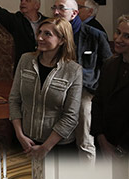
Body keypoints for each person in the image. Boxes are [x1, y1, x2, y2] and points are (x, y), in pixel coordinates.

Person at [9, 17, 83, 158]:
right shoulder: (25, 60)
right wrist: (19, 135)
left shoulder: (73, 70)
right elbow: (14, 100)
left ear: (62, 40)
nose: (40, 38)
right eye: (39, 33)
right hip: (25, 141)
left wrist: (45, 147)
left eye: (47, 34)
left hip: (58, 146)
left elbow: (71, 116)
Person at [51, 0, 112, 161]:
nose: (56, 12)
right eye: (54, 8)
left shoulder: (94, 35)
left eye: (61, 8)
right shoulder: (50, 34)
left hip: (84, 91)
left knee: (85, 140)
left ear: (74, 13)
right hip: (55, 89)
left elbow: (108, 66)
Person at [91, 13, 129, 155]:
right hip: (105, 143)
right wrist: (102, 139)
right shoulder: (110, 64)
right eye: (118, 32)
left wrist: (120, 149)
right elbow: (98, 102)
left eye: (127, 36)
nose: (118, 39)